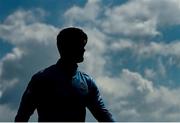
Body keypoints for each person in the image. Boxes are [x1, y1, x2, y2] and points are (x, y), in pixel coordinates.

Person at [15, 27, 114, 122]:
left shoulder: (87, 82)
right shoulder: (41, 79)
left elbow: (103, 115)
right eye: (80, 46)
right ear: (68, 48)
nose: (84, 50)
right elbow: (22, 116)